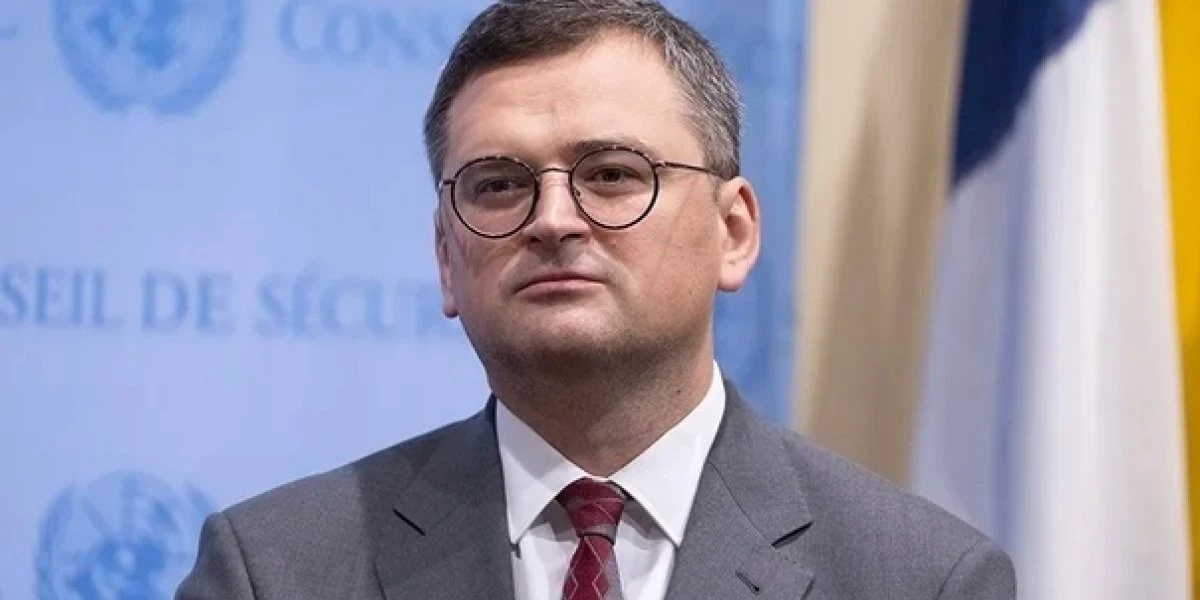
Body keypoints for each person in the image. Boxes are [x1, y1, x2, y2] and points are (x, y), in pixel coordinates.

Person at [175, 1, 1016, 598]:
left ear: (733, 232)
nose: (552, 219)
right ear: (445, 259)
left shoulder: (921, 579)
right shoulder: (274, 571)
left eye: (612, 174)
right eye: (498, 184)